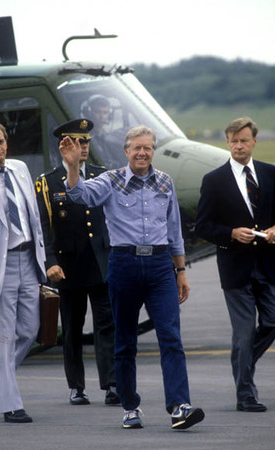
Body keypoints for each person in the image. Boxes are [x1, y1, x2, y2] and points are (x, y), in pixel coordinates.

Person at [59, 125, 205, 430]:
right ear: (126, 152)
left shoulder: (164, 182)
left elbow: (174, 231)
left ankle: (179, 405)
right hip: (124, 264)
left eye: (147, 148)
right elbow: (79, 194)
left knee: (171, 337)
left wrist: (180, 272)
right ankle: (129, 406)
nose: (142, 153)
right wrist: (73, 167)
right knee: (124, 341)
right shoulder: (111, 181)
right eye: (136, 148)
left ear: (153, 151)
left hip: (160, 266)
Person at [35, 118, 119, 406]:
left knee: (106, 325)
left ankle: (111, 383)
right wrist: (50, 262)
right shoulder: (47, 182)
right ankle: (76, 386)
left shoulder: (102, 175)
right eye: (77, 142)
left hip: (100, 262)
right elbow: (44, 228)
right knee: (72, 328)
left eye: (86, 142)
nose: (83, 147)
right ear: (64, 145)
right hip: (67, 268)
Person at [195, 117, 275, 412]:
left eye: (243, 140)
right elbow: (202, 226)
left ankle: (243, 362)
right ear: (227, 143)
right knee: (243, 334)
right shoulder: (214, 180)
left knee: (271, 322)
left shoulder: (270, 174)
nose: (238, 146)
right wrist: (229, 233)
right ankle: (246, 395)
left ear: (254, 141)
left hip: (268, 265)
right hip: (235, 270)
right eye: (233, 141)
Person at [0, 120, 47, 423]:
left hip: (28, 261)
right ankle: (10, 405)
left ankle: (1, 374)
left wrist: (46, 259)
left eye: (1, 142)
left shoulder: (20, 169)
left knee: (30, 329)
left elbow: (34, 217)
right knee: (2, 338)